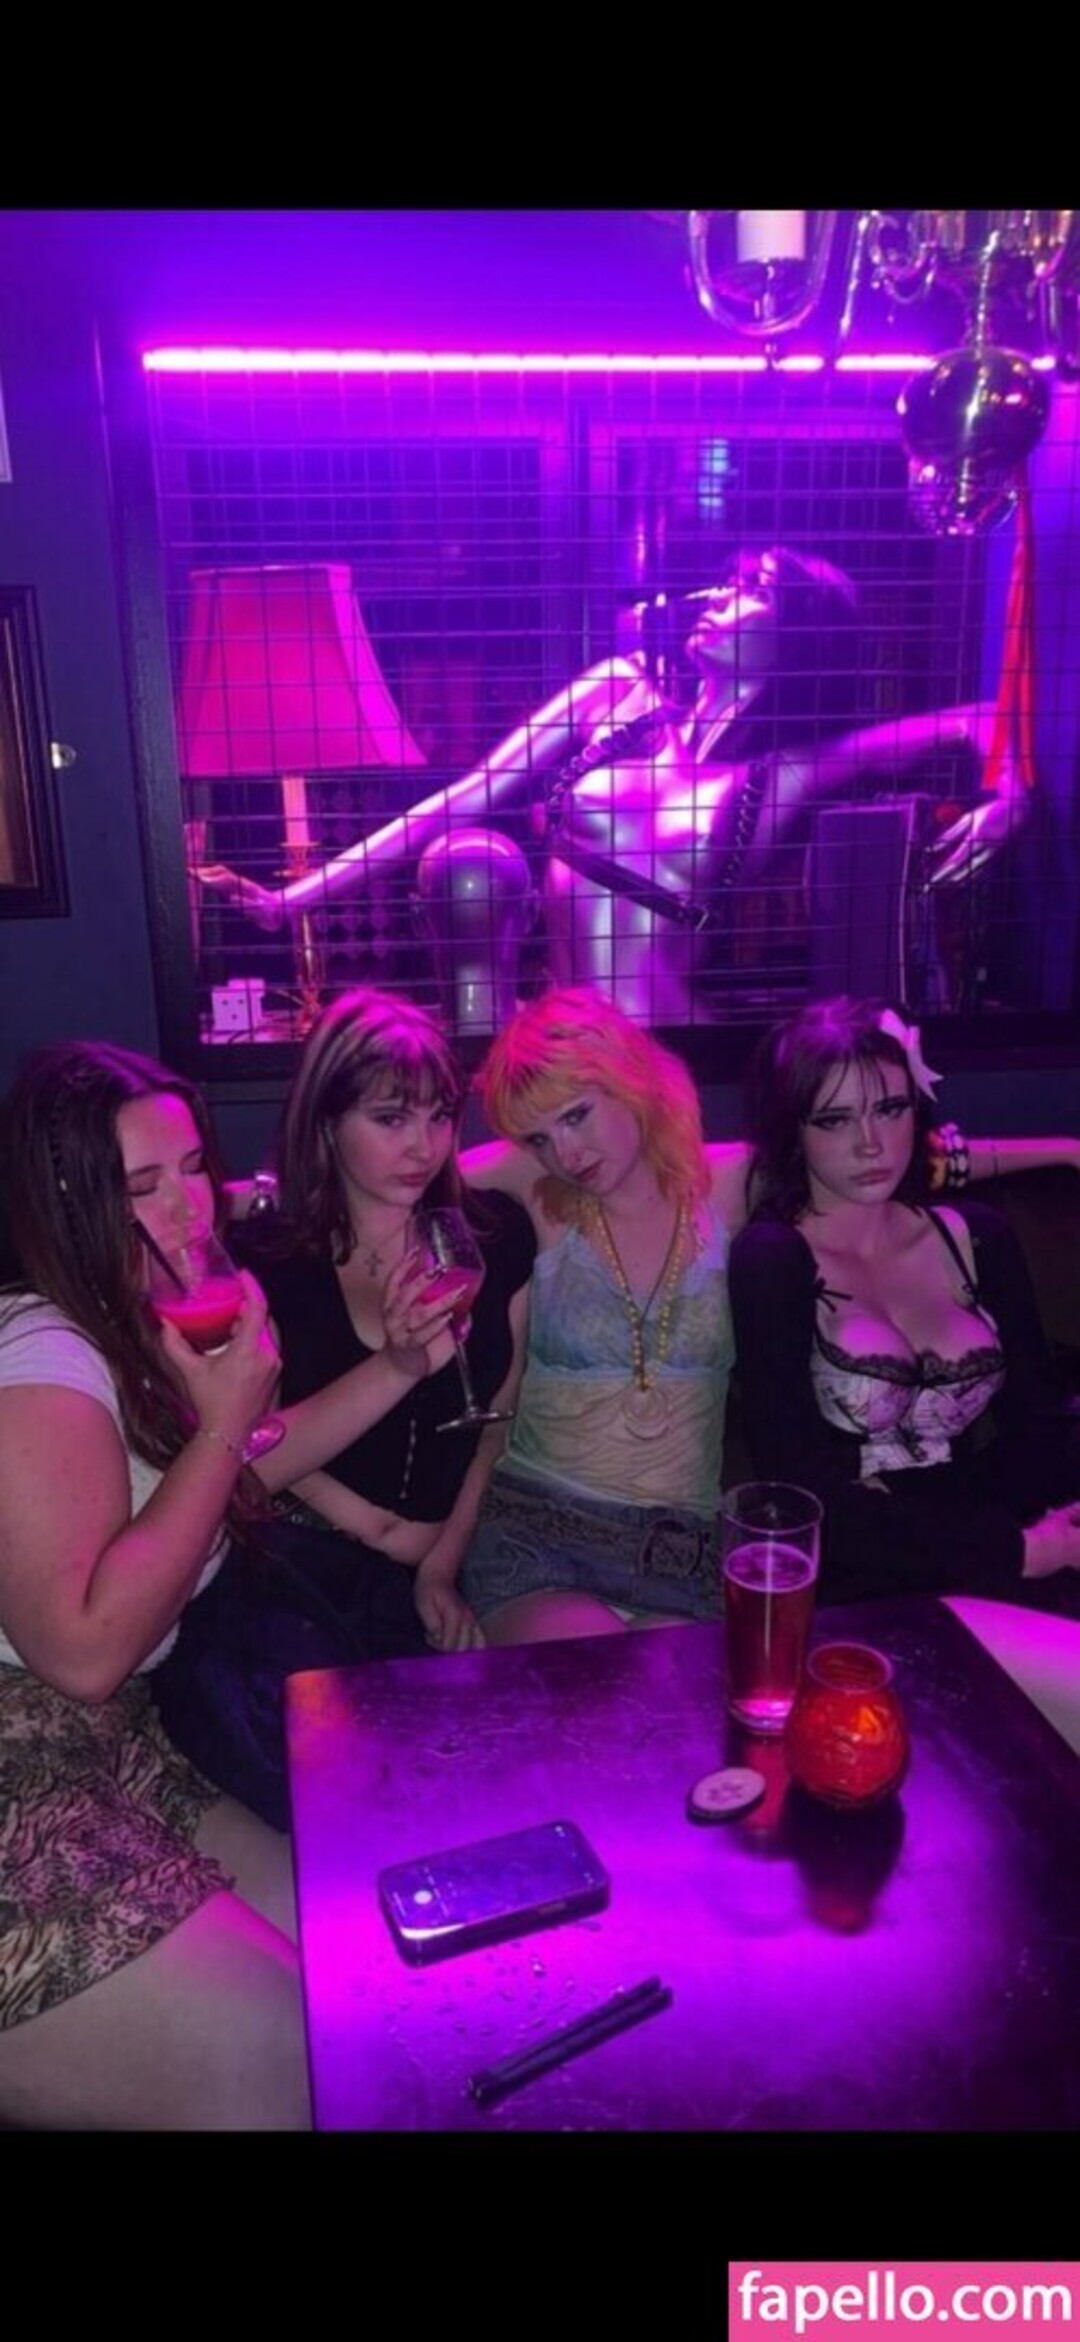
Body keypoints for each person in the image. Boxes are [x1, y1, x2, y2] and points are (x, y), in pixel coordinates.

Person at [0, 1036, 472, 2130]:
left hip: (114, 1753)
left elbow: (242, 1471)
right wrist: (220, 1423)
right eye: (142, 1186)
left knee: (377, 1960)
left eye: (192, 1168)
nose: (188, 1208)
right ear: (65, 1203)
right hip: (20, 1773)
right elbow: (81, 1650)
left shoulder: (138, 1318)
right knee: (285, 2060)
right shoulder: (41, 1352)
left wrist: (400, 1364)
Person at [190, 546, 1026, 1024]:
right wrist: (293, 900)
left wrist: (1010, 795)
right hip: (567, 1033)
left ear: (798, 636)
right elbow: (463, 797)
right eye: (727, 582)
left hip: (674, 1040)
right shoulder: (617, 692)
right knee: (468, 852)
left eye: (751, 592)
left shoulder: (781, 774)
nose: (716, 598)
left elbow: (981, 718)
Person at [155, 988, 534, 1828]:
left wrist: (439, 1563)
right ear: (326, 1123)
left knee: (467, 1786)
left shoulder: (493, 1237)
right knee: (334, 1778)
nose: (423, 1145)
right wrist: (370, 1519)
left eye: (440, 1116)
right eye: (390, 1119)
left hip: (418, 1578)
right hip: (290, 1560)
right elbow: (238, 1460)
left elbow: (493, 1427)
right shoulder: (265, 1262)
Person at [728, 997, 1080, 1607]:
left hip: (1002, 1545)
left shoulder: (977, 1237)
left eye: (890, 1109)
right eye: (834, 1120)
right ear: (795, 1132)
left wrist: (1020, 1540)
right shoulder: (772, 1258)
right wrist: (1013, 1549)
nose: (871, 1143)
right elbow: (799, 1486)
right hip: (867, 1582)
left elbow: (1039, 1430)